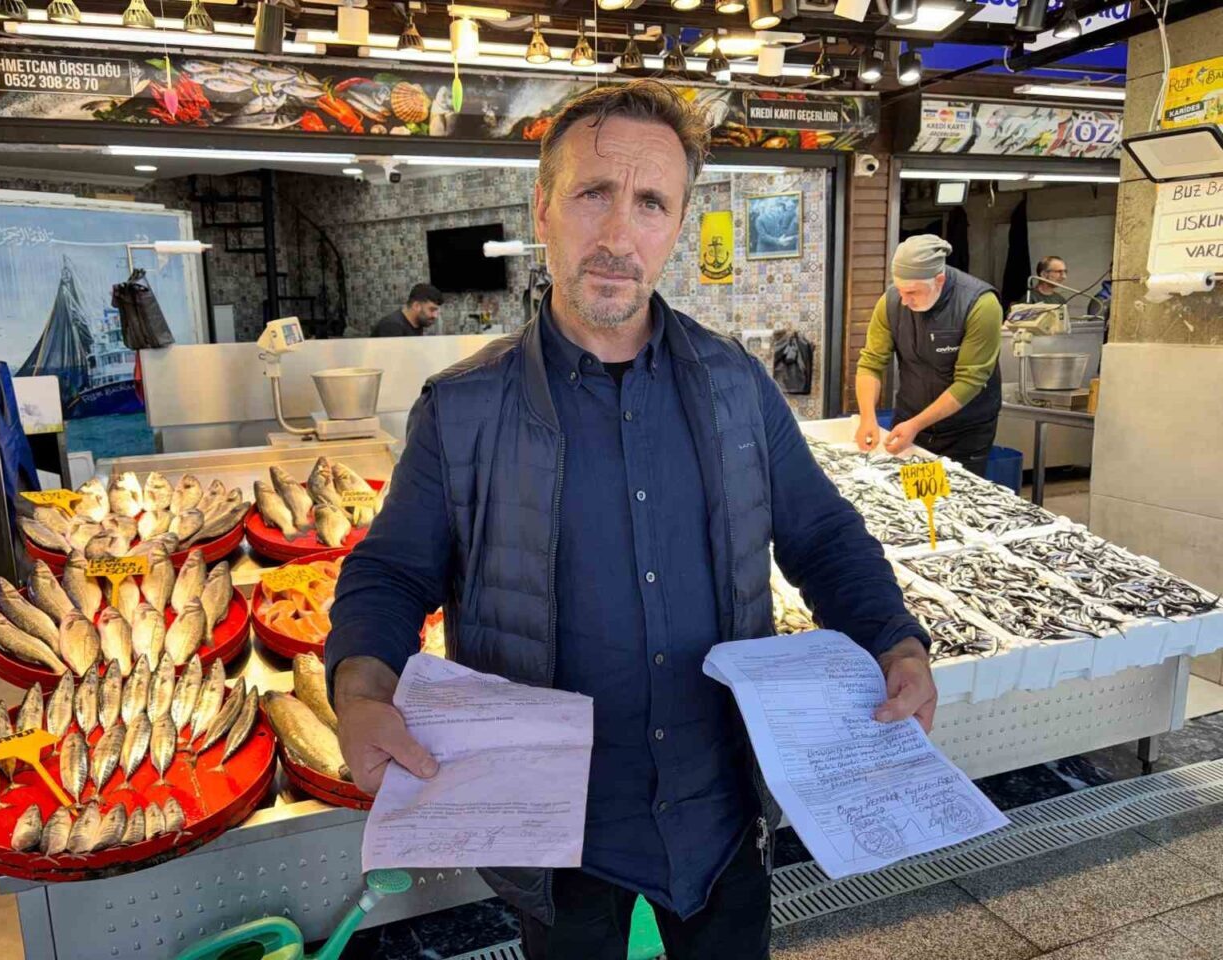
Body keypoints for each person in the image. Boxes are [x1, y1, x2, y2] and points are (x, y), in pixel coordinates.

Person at [327, 81, 935, 960]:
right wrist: (360, 687)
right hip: (555, 826)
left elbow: (823, 535)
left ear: (677, 225)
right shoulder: (462, 410)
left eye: (651, 203)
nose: (619, 234)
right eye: (593, 194)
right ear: (542, 208)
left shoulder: (737, 388)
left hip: (721, 810)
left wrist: (895, 641)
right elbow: (391, 572)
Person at [854, 235, 1004, 478]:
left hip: (964, 431)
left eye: (912, 292)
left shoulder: (980, 304)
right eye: (900, 290)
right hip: (909, 421)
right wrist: (868, 418)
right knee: (907, 495)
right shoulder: (891, 302)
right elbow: (871, 363)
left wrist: (916, 424)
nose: (904, 301)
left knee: (954, 496)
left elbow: (970, 380)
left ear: (939, 280)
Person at [344, 283, 444, 337]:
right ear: (416, 306)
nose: (435, 316)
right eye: (432, 310)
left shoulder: (417, 323)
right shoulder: (392, 326)